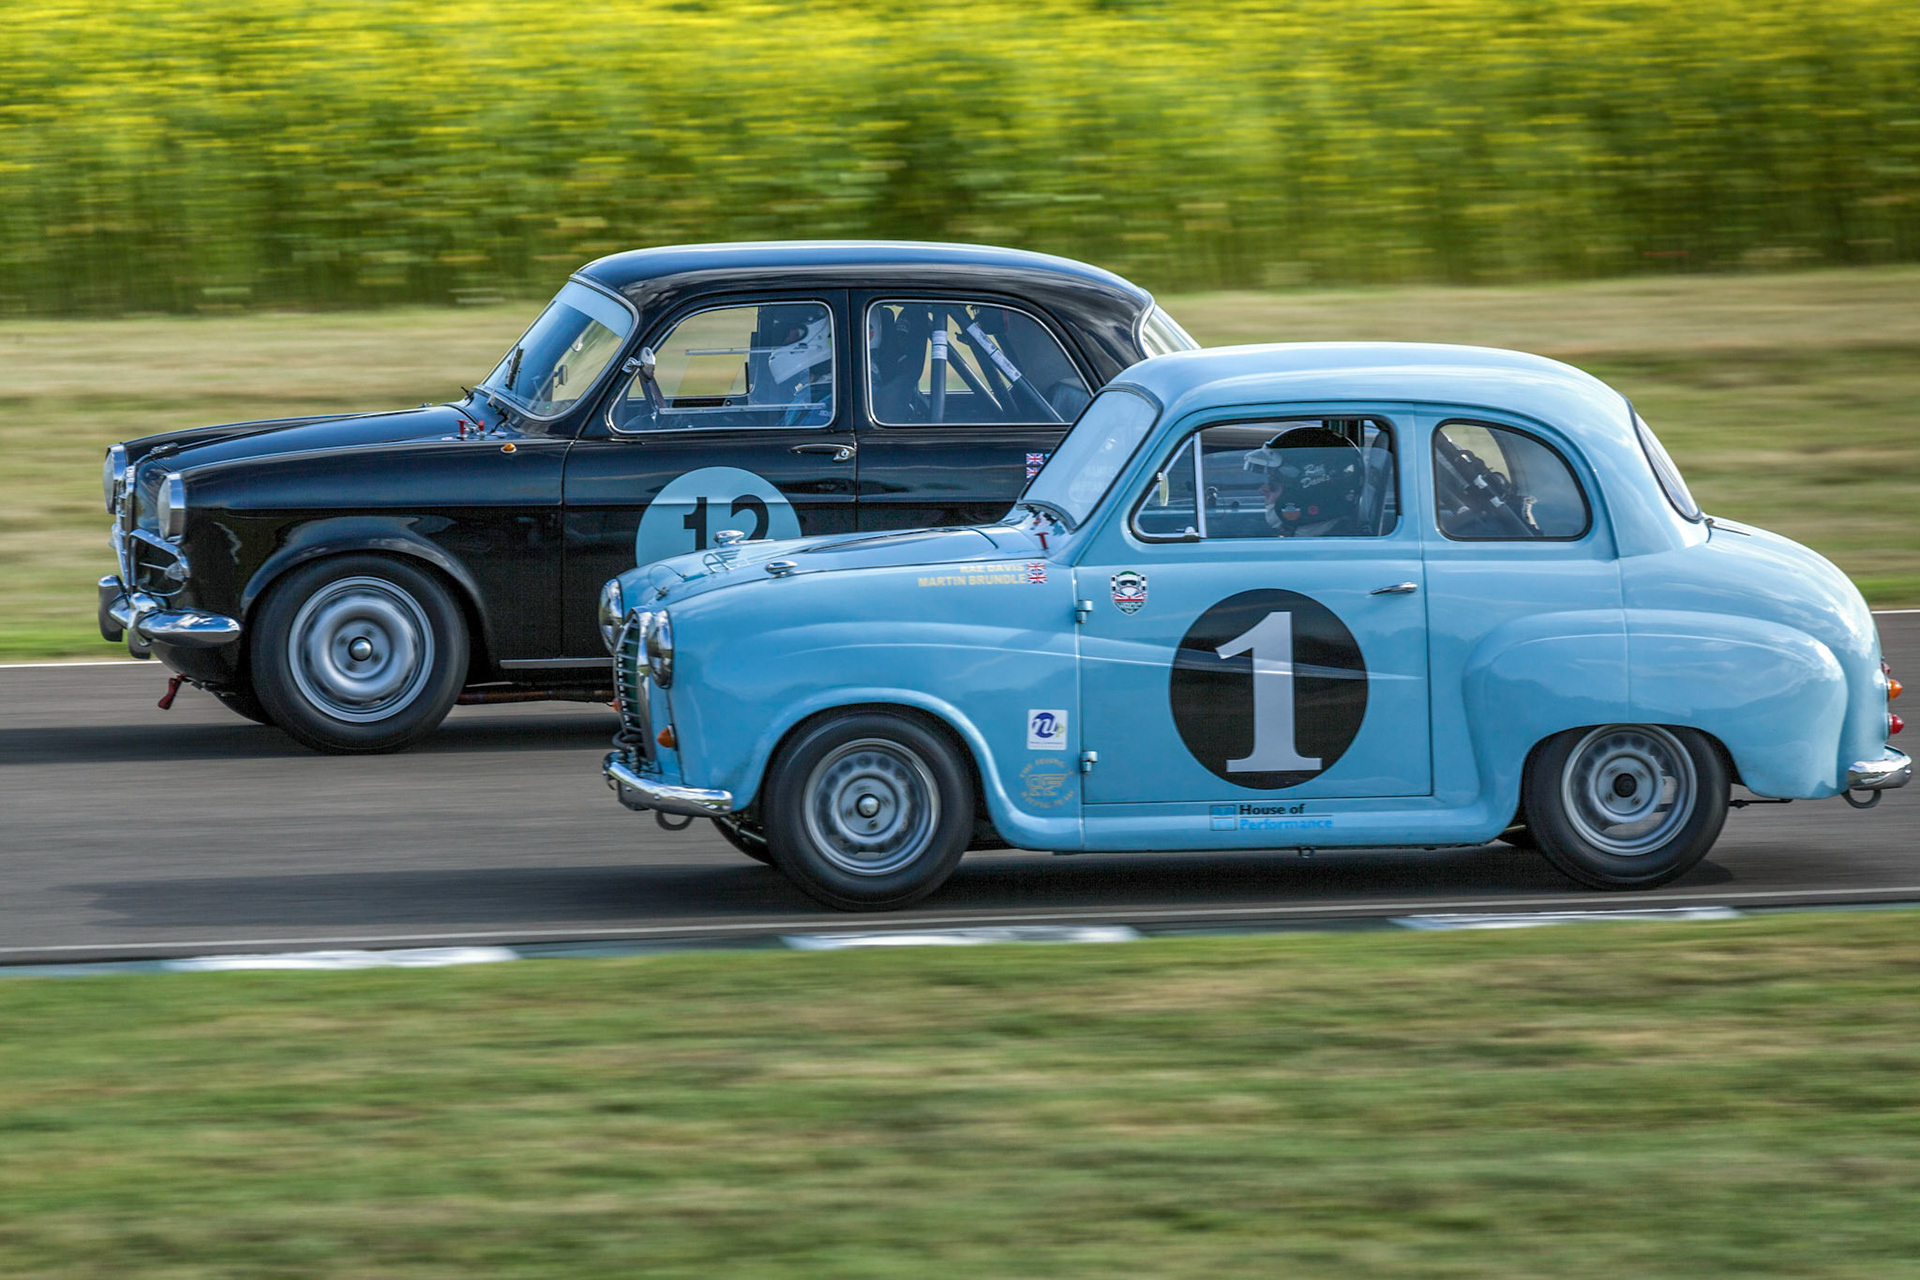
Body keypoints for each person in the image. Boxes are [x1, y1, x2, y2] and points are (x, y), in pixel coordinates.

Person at [1242, 425, 1363, 537]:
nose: (1262, 490)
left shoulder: (1326, 551)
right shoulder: (1303, 536)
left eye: (1274, 484)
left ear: (1307, 493)